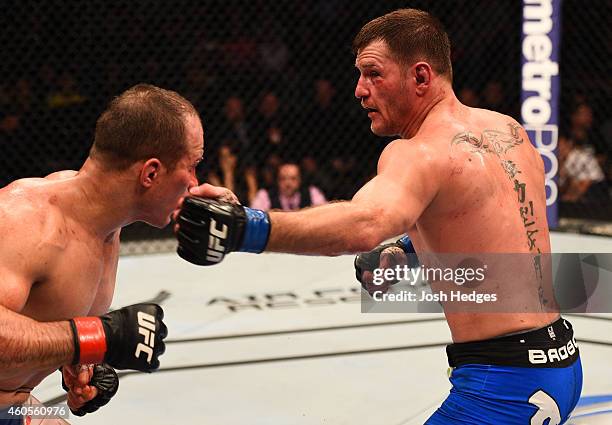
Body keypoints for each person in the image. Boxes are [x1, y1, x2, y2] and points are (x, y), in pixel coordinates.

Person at [175, 8, 581, 425]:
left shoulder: (417, 152)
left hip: (505, 386)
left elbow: (364, 224)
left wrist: (243, 226)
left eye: (373, 74)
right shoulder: (508, 131)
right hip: (563, 362)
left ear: (421, 77)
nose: (359, 90)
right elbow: (500, 224)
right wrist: (409, 247)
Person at [0, 83, 212, 422]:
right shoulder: (27, 220)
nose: (194, 182)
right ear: (151, 173)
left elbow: (45, 322)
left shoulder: (106, 226)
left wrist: (84, 365)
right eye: (193, 165)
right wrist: (93, 338)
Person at [250, 161, 327, 211]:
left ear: (300, 180)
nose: (288, 183)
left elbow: (323, 213)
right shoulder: (264, 195)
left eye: (293, 178)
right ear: (277, 180)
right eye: (283, 179)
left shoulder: (312, 192)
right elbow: (256, 219)